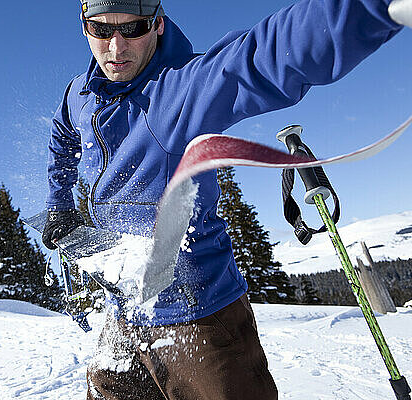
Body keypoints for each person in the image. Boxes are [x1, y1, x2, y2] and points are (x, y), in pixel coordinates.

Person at [42, 0, 410, 399]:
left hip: (198, 318)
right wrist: (58, 205)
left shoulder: (181, 90)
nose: (116, 48)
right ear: (84, 27)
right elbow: (62, 137)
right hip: (121, 316)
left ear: (158, 25)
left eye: (132, 29)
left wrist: (373, 8)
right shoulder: (79, 93)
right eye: (101, 30)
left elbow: (259, 58)